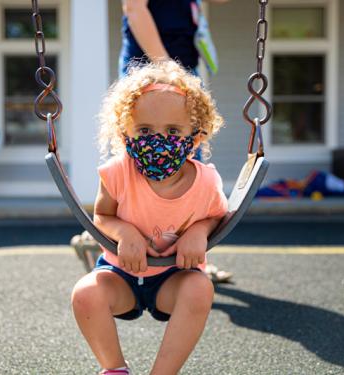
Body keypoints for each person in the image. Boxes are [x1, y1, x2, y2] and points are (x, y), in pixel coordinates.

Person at [71, 60, 228, 375]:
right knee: (86, 293)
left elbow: (217, 217)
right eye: (144, 130)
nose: (158, 141)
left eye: (173, 131)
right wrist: (125, 232)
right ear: (125, 132)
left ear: (196, 137)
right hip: (121, 275)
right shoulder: (117, 172)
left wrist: (199, 229)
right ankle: (114, 369)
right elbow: (102, 216)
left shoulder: (206, 182)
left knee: (200, 288)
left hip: (174, 276)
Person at [120, 0, 233, 283]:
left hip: (184, 68)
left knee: (190, 167)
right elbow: (134, 8)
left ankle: (194, 257)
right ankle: (127, 248)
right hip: (150, 68)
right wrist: (167, 68)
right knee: (140, 163)